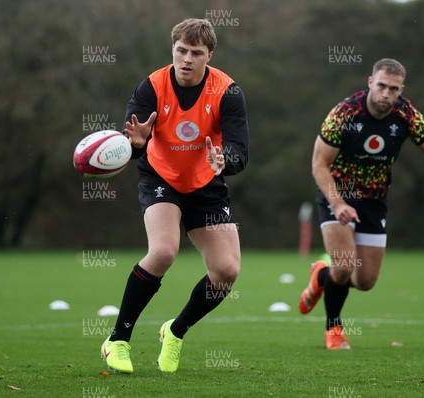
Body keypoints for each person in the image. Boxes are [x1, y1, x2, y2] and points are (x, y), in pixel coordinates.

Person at [101, 18, 249, 373]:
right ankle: (117, 340)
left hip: (206, 183)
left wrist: (223, 160)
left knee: (227, 270)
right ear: (173, 49)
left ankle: (175, 331)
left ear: (208, 55)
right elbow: (130, 145)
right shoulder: (151, 87)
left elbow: (240, 153)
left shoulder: (228, 92)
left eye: (196, 53)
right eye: (181, 50)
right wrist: (135, 144)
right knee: (164, 251)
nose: (186, 59)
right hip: (161, 177)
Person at [298, 58, 424, 350]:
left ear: (401, 90)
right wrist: (338, 203)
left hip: (373, 200)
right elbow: (318, 164)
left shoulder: (407, 115)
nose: (386, 94)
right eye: (381, 86)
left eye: (393, 89)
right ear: (370, 83)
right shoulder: (344, 113)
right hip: (335, 193)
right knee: (344, 266)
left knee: (365, 281)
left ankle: (320, 276)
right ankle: (334, 329)